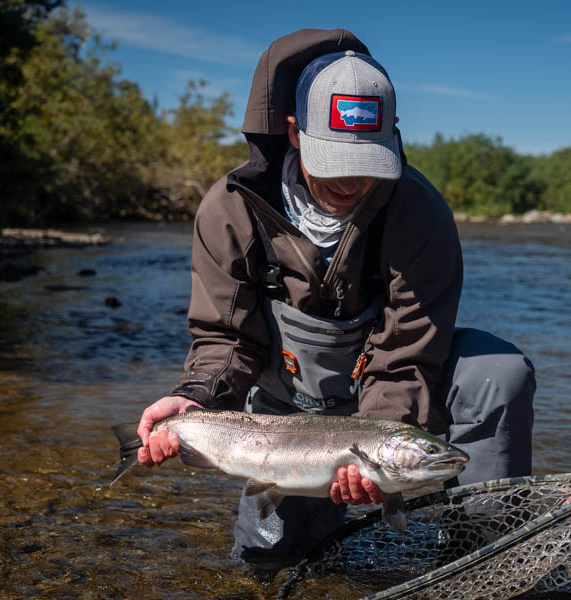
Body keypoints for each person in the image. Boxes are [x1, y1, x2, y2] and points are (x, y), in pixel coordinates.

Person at [133, 28, 535, 568]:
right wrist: (197, 398)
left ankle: (483, 552)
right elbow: (227, 340)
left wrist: (380, 454)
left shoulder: (421, 215)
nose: (351, 180)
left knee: (499, 373)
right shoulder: (230, 210)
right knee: (268, 566)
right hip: (285, 418)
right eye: (335, 158)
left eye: (368, 160)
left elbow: (408, 355)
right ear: (294, 132)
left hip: (387, 402)